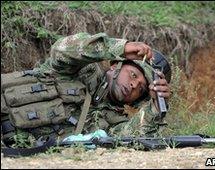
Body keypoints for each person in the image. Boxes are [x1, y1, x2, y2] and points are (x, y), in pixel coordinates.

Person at [1, 32, 171, 145]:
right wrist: (118, 48)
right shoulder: (81, 69)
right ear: (115, 66)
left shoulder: (114, 122)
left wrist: (155, 107)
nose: (134, 85)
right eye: (133, 75)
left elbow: (135, 136)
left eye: (141, 89)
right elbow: (63, 48)